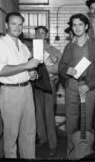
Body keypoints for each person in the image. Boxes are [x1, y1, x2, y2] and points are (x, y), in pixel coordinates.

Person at [0, 12, 40, 158]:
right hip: (10, 92)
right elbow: (1, 70)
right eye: (14, 23)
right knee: (11, 136)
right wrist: (26, 65)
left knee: (29, 132)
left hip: (27, 90)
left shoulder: (23, 45)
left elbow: (27, 68)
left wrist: (32, 74)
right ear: (6, 25)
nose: (17, 27)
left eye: (20, 24)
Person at [58, 13, 95, 158]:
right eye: (74, 25)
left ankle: (84, 153)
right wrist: (67, 70)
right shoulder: (69, 46)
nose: (77, 27)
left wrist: (89, 86)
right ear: (71, 28)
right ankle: (71, 152)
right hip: (72, 86)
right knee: (71, 122)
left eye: (80, 24)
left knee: (86, 122)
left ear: (86, 26)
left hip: (88, 88)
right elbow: (61, 66)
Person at [34, 26, 62, 156]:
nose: (40, 35)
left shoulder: (54, 50)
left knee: (49, 115)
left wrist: (45, 68)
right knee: (38, 114)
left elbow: (59, 69)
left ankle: (53, 145)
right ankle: (43, 138)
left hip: (49, 85)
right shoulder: (31, 50)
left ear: (46, 35)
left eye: (42, 33)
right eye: (37, 32)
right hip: (35, 85)